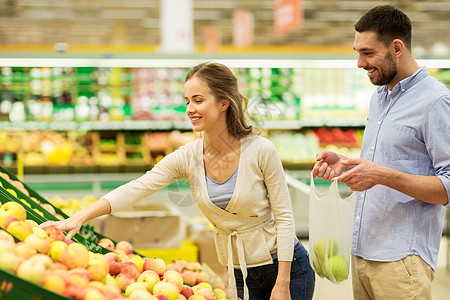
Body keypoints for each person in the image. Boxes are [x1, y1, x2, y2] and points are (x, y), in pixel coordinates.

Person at [41, 62, 315, 300]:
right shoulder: (188, 156)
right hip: (239, 272)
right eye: (187, 101)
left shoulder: (261, 150)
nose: (190, 109)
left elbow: (284, 217)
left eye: (198, 100)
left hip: (286, 268)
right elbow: (138, 187)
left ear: (223, 103)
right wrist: (80, 216)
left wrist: (282, 282)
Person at [312, 5, 450, 300]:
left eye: (368, 53)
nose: (360, 63)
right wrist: (346, 167)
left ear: (397, 47)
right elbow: (380, 169)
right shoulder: (380, 97)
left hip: (401, 259)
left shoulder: (436, 102)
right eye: (357, 52)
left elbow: (447, 188)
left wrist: (382, 175)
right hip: (362, 251)